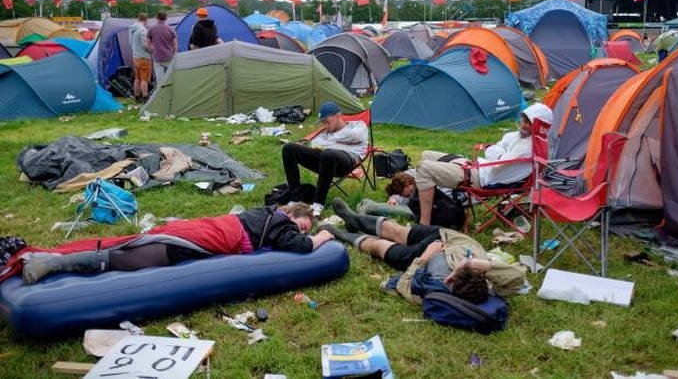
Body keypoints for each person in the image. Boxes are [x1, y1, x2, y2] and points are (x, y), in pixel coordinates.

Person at [1, 203, 335, 285]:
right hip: (202, 237)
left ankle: (53, 260)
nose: (301, 232)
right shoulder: (280, 222)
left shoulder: (265, 212)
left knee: (131, 248)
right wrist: (320, 236)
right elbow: (301, 246)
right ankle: (51, 261)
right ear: (291, 214)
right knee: (129, 258)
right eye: (302, 226)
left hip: (204, 228)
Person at [321, 198, 525, 304]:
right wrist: (472, 263)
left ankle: (341, 234)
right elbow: (518, 277)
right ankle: (354, 219)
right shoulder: (489, 284)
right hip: (448, 237)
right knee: (399, 231)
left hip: (420, 258)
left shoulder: (438, 289)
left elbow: (404, 286)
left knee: (381, 247)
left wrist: (425, 257)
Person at [414, 103, 552, 225]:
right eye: (523, 119)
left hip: (481, 178)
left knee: (424, 168)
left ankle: (424, 224)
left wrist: (495, 151)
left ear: (538, 127)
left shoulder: (528, 147)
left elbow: (496, 159)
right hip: (479, 167)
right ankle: (415, 200)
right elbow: (498, 147)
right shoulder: (520, 137)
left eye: (528, 122)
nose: (523, 125)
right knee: (426, 155)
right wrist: (497, 152)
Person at [281, 101, 368, 216]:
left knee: (328, 153)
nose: (325, 126)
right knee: (289, 148)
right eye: (323, 123)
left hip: (347, 162)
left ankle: (318, 204)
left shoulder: (358, 126)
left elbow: (355, 136)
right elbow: (315, 145)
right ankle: (295, 198)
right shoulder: (325, 134)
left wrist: (331, 141)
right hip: (325, 163)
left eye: (327, 121)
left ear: (338, 115)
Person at [146, 11, 178, 85]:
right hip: (169, 57)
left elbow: (147, 45)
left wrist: (152, 52)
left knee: (160, 79)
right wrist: (174, 54)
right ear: (166, 18)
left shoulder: (151, 29)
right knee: (170, 78)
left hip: (157, 58)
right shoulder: (170, 29)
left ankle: (161, 91)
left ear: (157, 17)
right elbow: (176, 46)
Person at [128, 13, 152, 102]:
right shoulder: (142, 29)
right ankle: (145, 97)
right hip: (144, 57)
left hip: (135, 57)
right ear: (146, 20)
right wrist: (151, 50)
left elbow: (130, 43)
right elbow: (145, 45)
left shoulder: (131, 29)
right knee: (144, 79)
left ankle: (137, 97)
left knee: (137, 78)